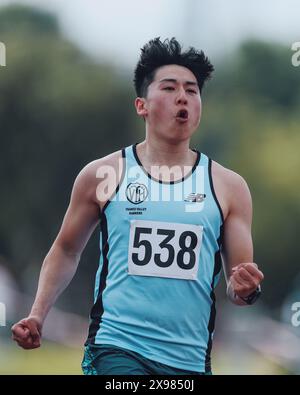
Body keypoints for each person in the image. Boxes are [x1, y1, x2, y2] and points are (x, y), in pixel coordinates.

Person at [11, 37, 264, 375]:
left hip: (189, 360)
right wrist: (38, 313)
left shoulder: (229, 187)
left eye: (192, 90)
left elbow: (237, 286)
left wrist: (248, 289)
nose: (182, 98)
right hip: (117, 348)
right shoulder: (104, 174)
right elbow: (66, 250)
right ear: (141, 105)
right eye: (170, 88)